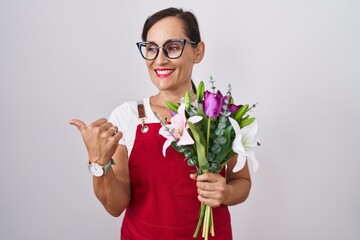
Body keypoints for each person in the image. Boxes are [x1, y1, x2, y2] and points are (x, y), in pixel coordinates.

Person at [70, 7, 251, 240]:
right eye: (151, 49)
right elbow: (115, 207)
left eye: (173, 47)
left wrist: (225, 193)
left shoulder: (220, 114)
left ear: (198, 51)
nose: (159, 60)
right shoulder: (128, 117)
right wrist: (99, 164)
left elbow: (242, 182)